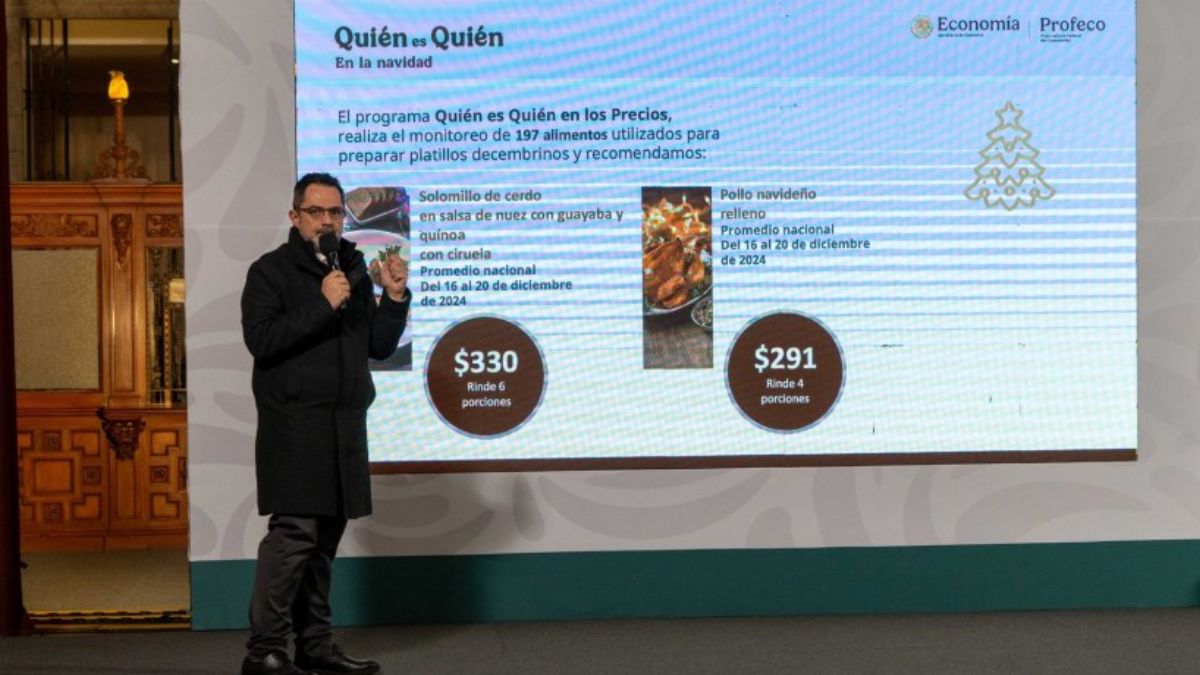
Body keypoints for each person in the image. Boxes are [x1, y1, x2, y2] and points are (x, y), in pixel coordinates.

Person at [240, 172, 409, 675]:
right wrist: (322, 302)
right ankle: (264, 652)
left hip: (344, 425)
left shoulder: (353, 269)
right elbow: (262, 341)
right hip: (295, 425)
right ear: (295, 217)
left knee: (323, 544)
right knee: (294, 536)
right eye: (316, 212)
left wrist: (393, 299)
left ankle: (315, 646)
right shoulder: (269, 272)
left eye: (335, 212)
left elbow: (377, 345)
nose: (327, 221)